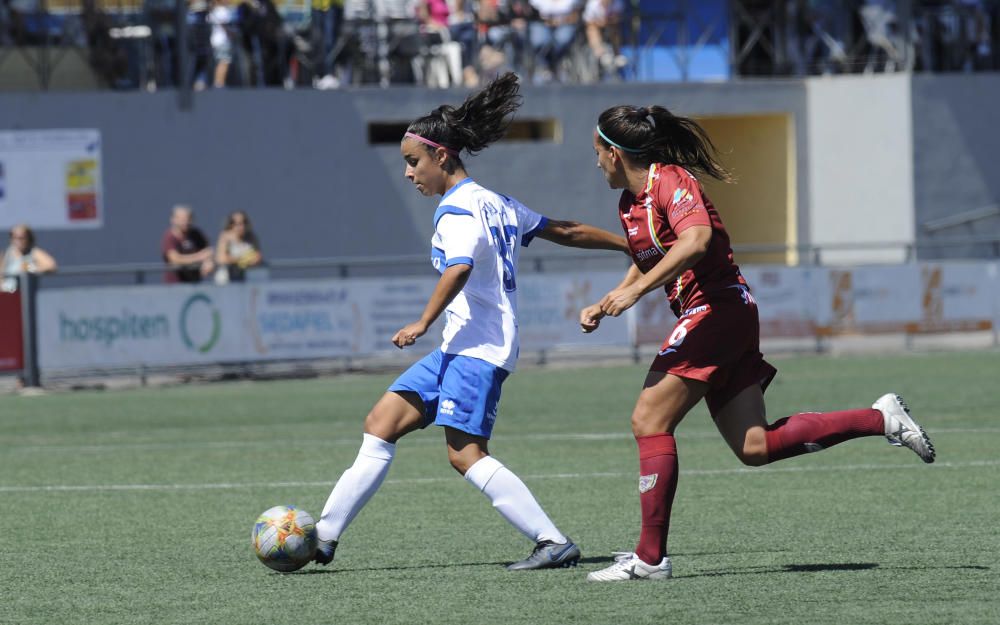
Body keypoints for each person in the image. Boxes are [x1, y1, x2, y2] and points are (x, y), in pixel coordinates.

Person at [578, 105, 937, 582]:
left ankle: (649, 559)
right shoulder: (629, 203)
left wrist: (635, 292)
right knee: (754, 445)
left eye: (597, 152)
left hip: (718, 309)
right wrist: (610, 299)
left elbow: (697, 239)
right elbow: (651, 256)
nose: (595, 161)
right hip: (715, 316)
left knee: (649, 418)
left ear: (615, 152)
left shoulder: (671, 179)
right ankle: (882, 417)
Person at [313, 72, 629, 571]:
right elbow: (565, 230)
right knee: (381, 423)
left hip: (478, 349)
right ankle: (323, 536)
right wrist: (628, 243)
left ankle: (552, 541)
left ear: (442, 156)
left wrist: (421, 321)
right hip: (460, 346)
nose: (408, 173)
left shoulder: (456, 210)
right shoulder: (495, 202)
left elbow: (459, 267)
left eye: (412, 162)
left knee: (464, 454)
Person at [161, 204, 214, 283]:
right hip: (174, 286)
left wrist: (209, 261)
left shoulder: (196, 234)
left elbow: (208, 252)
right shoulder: (169, 237)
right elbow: (175, 259)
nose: (185, 222)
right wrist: (199, 257)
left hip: (195, 283)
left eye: (188, 218)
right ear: (173, 219)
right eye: (182, 219)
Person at [1, 224, 57, 292]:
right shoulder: (7, 253)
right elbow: (1, 274)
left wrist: (31, 269)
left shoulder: (34, 252)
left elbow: (51, 265)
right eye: (14, 237)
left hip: (25, 296)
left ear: (28, 238)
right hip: (7, 295)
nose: (18, 241)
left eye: (21, 238)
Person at [214, 210, 263, 283]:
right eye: (238, 224)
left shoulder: (251, 237)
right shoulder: (225, 236)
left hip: (246, 280)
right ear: (231, 224)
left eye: (244, 223)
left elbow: (257, 257)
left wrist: (237, 260)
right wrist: (244, 259)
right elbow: (221, 259)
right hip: (226, 280)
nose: (242, 227)